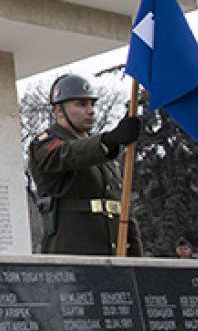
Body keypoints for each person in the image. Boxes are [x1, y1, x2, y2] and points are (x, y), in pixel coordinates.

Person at [29, 74, 142, 256]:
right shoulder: (45, 143)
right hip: (73, 259)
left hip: (112, 259)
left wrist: (136, 260)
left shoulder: (103, 153)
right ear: (59, 110)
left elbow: (121, 208)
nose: (90, 111)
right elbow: (68, 154)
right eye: (81, 104)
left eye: (92, 104)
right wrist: (108, 140)